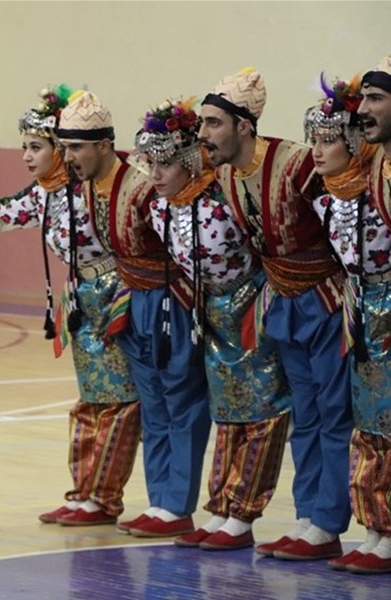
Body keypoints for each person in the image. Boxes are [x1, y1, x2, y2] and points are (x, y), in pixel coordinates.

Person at [0, 85, 141, 526]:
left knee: (118, 401)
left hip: (118, 298)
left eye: (36, 147)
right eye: (24, 146)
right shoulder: (46, 195)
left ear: (62, 149)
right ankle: (84, 493)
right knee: (91, 400)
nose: (26, 156)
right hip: (80, 300)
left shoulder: (104, 187)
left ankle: (104, 498)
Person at [197, 68, 352, 562]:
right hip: (282, 303)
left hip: (326, 301)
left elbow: (346, 214)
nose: (203, 134)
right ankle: (310, 518)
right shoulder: (221, 174)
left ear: (244, 125)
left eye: (213, 123)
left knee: (334, 414)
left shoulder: (297, 163)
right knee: (304, 415)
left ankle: (331, 521)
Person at [136, 97, 291, 551]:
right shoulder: (160, 208)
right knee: (226, 413)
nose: (156, 176)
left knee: (259, 410)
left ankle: (244, 514)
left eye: (165, 165)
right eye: (150, 165)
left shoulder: (224, 197)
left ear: (187, 161)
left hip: (253, 310)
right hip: (211, 318)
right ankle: (222, 507)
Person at [57, 92, 211, 538]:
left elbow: (183, 249)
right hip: (134, 301)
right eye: (64, 148)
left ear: (104, 145)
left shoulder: (145, 186)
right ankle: (160, 501)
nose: (68, 157)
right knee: (155, 405)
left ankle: (176, 505)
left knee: (180, 402)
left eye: (75, 148)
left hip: (170, 303)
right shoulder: (87, 186)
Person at [309, 58, 391, 575]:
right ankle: (378, 527)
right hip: (363, 311)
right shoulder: (363, 178)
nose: (364, 112)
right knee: (373, 421)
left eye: (375, 100)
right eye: (361, 102)